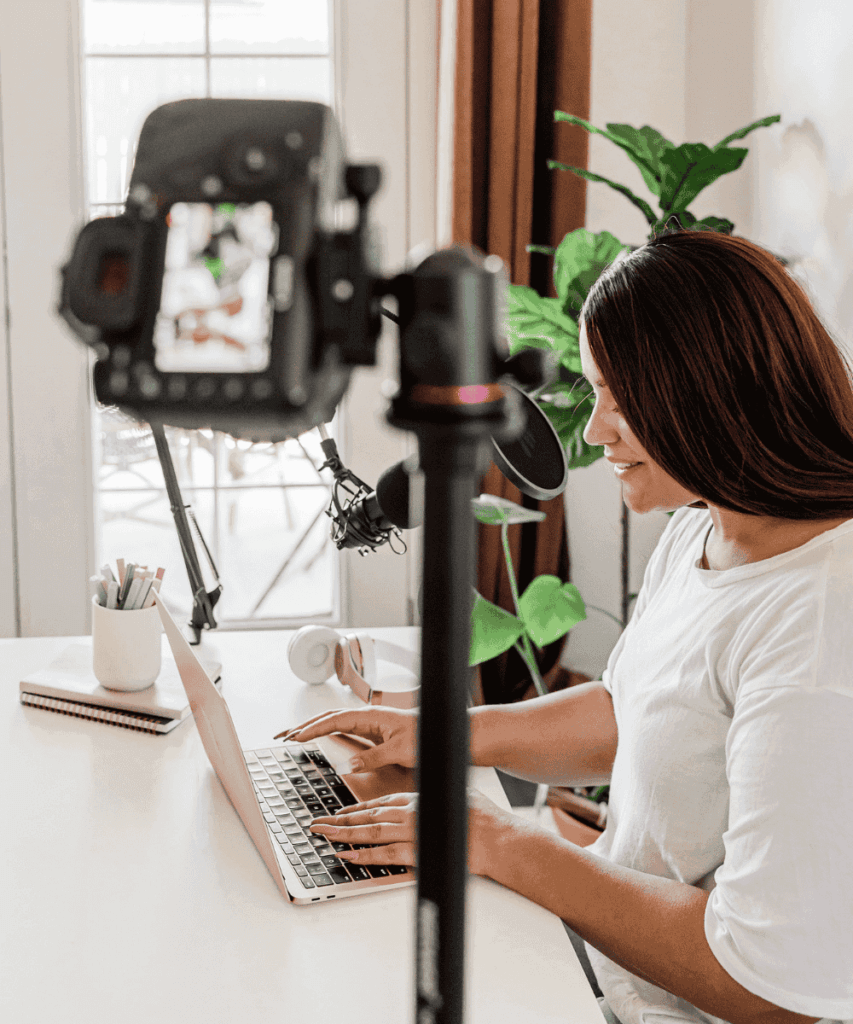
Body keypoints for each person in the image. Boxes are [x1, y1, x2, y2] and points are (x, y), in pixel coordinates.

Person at [278, 232, 853, 1024]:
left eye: (623, 399)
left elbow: (765, 985)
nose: (593, 432)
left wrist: (504, 843)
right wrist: (451, 734)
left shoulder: (821, 628)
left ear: (716, 391)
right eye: (593, 392)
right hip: (603, 967)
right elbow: (634, 709)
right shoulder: (706, 524)